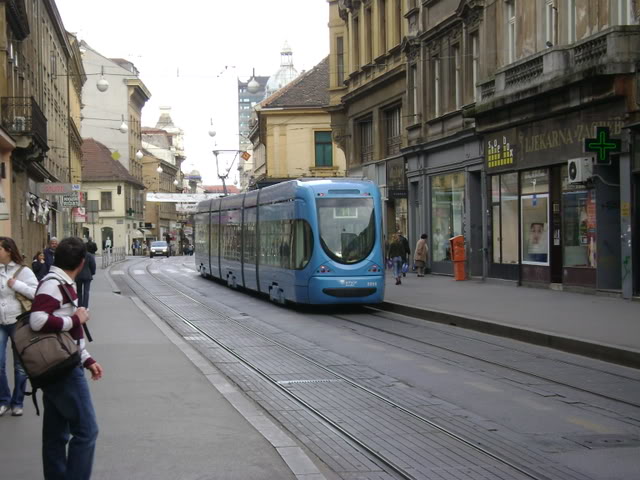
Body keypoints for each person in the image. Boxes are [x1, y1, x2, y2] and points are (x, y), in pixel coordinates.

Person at [30, 237, 103, 479]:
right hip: (62, 369)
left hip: (59, 364)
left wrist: (87, 359)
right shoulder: (54, 285)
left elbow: (67, 335)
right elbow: (38, 320)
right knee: (87, 431)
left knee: (56, 433)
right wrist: (76, 319)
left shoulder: (60, 283)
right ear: (82, 263)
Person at [0, 237, 38, 417]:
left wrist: (17, 285)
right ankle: (4, 400)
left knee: (19, 365)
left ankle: (17, 402)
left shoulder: (23, 271)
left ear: (8, 250)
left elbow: (37, 293)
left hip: (18, 321)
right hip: (0, 322)